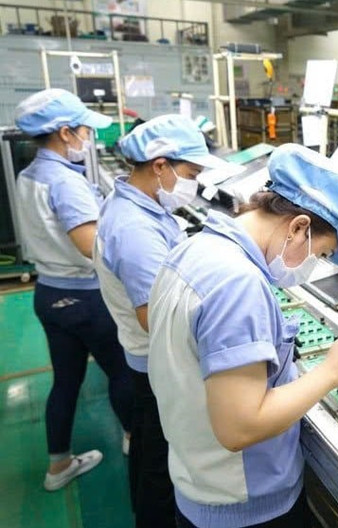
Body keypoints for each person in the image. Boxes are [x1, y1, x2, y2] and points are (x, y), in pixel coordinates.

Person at [147, 143, 338, 528]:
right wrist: (331, 372)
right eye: (324, 253)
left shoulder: (197, 248)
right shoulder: (237, 284)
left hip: (197, 479)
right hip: (242, 507)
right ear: (299, 226)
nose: (315, 265)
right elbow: (240, 427)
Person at [93, 114, 241, 527]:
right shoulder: (135, 229)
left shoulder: (141, 207)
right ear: (160, 165)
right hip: (151, 363)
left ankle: (144, 510)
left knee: (147, 445)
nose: (193, 184)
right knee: (162, 461)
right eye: (191, 173)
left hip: (140, 361)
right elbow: (154, 318)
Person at [14, 88, 133, 491]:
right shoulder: (64, 181)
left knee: (66, 381)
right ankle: (136, 440)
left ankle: (58, 466)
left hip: (49, 294)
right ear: (65, 133)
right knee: (121, 370)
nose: (89, 137)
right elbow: (91, 247)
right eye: (84, 129)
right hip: (85, 297)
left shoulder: (28, 174)